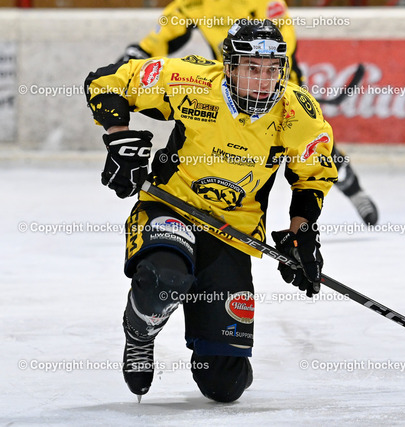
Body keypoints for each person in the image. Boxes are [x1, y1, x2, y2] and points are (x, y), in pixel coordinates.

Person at [85, 19, 336, 402]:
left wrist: (300, 233)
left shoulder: (297, 112)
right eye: (252, 68)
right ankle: (140, 332)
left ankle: (218, 356)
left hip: (231, 230)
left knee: (225, 385)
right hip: (169, 206)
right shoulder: (192, 81)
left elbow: (312, 175)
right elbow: (106, 81)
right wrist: (120, 141)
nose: (263, 80)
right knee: (165, 278)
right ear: (230, 67)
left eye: (272, 70)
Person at [117, 0, 378, 225]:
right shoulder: (194, 3)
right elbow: (162, 37)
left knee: (314, 152)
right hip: (229, 94)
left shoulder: (266, 2)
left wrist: (270, 90)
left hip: (276, 92)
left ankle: (354, 189)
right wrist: (138, 53)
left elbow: (281, 51)